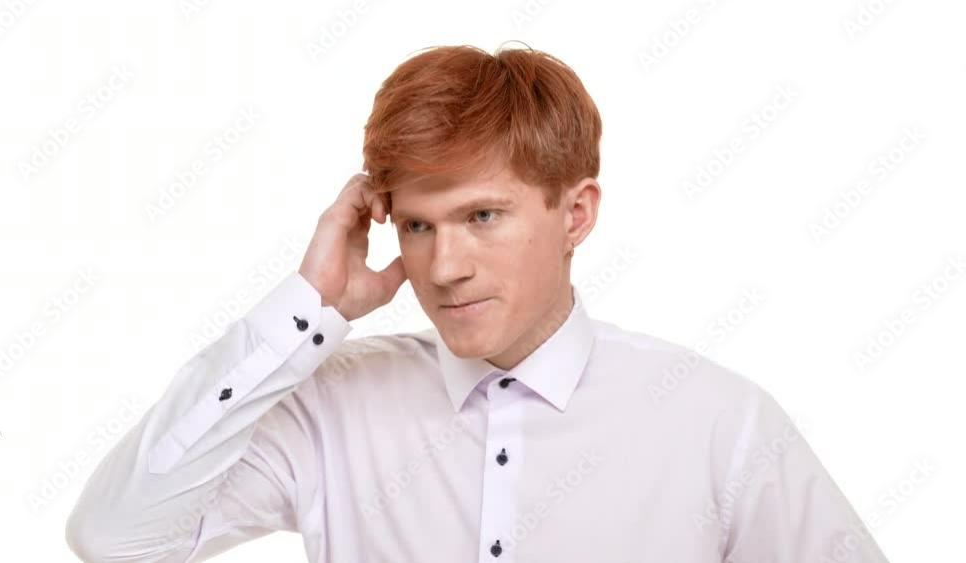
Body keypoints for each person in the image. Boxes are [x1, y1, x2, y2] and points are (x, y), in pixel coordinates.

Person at [65, 44, 889, 562]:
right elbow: (114, 538)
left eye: (483, 216)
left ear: (576, 214)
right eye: (417, 224)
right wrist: (310, 306)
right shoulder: (333, 406)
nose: (444, 267)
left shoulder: (717, 423)